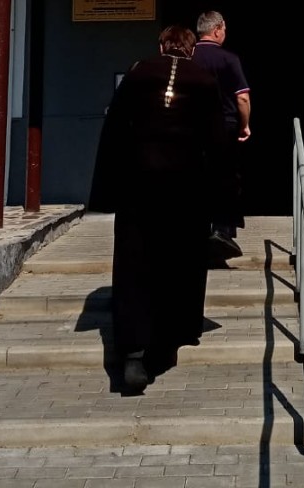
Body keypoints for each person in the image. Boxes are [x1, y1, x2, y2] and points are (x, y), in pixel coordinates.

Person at [88, 25, 223, 394]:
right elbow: (216, 142)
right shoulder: (204, 80)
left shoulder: (137, 74)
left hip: (139, 185)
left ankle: (134, 351)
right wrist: (223, 198)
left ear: (162, 46)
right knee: (179, 261)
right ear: (191, 50)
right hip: (187, 188)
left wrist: (106, 191)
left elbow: (114, 130)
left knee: (135, 264)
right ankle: (169, 341)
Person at [190, 10, 251, 259]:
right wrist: (244, 125)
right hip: (225, 126)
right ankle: (222, 231)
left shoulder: (188, 57)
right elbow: (242, 98)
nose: (225, 33)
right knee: (225, 178)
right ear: (216, 30)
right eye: (224, 29)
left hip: (193, 127)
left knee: (197, 177)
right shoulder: (229, 59)